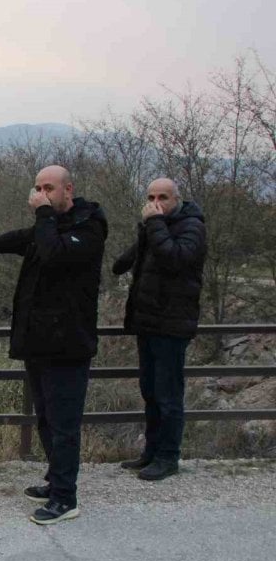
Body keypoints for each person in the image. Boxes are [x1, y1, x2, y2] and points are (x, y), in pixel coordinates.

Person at [0, 165, 108, 525]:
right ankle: (55, 482)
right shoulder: (49, 224)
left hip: (68, 344)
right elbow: (27, 238)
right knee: (47, 419)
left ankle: (66, 499)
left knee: (64, 424)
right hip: (39, 341)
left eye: (49, 188)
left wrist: (43, 212)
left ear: (69, 189)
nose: (42, 194)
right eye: (37, 188)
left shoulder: (89, 227)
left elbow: (53, 253)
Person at [112, 178, 206, 481]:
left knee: (168, 395)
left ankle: (169, 457)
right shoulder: (155, 227)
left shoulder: (192, 226)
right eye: (151, 197)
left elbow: (175, 258)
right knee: (150, 391)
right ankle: (151, 452)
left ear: (176, 199)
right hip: (148, 323)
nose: (155, 203)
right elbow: (128, 261)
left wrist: (153, 224)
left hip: (172, 325)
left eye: (162, 197)